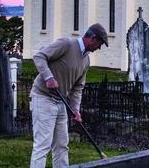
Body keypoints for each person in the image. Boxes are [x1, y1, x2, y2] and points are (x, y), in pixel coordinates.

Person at [29, 23, 108, 168]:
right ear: (93, 39)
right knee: (43, 145)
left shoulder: (86, 60)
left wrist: (76, 109)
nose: (99, 48)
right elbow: (39, 56)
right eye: (100, 44)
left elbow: (78, 87)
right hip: (43, 98)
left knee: (61, 146)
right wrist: (48, 77)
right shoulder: (66, 44)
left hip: (61, 102)